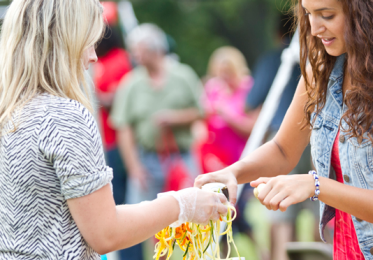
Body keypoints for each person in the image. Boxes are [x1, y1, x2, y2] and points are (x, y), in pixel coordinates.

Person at [195, 0, 373, 259]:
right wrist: (232, 173)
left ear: (367, 12)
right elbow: (283, 150)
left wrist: (316, 185)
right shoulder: (322, 69)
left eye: (326, 15)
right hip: (347, 251)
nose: (314, 28)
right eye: (308, 14)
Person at [0, 0, 228, 259]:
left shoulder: (10, 111)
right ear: (66, 42)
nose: (93, 56)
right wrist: (183, 204)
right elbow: (106, 233)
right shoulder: (64, 116)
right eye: (88, 40)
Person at [110, 23, 204, 260]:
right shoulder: (130, 83)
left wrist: (174, 118)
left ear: (155, 50)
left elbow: (203, 112)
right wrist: (134, 168)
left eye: (138, 50)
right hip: (146, 160)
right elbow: (124, 129)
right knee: (138, 220)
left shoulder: (183, 75)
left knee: (193, 217)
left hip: (181, 158)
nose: (134, 55)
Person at [245, 13, 315, 260]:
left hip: (284, 135)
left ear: (277, 34)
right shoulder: (320, 56)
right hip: (318, 136)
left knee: (281, 211)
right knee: (320, 210)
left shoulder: (275, 58)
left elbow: (251, 101)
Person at [199, 46, 257, 173]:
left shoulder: (248, 88)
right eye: (221, 72)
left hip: (242, 155)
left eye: (229, 72)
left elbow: (254, 127)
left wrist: (227, 116)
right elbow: (201, 123)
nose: (224, 76)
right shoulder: (212, 87)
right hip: (215, 157)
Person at [94, 21, 132, 206]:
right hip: (104, 137)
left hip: (117, 138)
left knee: (119, 191)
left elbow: (119, 99)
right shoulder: (100, 62)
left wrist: (93, 97)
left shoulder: (120, 60)